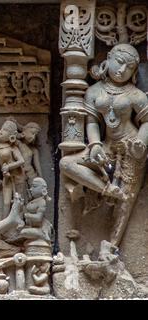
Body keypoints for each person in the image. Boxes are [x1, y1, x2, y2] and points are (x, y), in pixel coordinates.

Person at [60, 44, 148, 246]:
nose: (121, 70)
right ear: (108, 58)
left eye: (129, 67)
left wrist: (140, 144)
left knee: (126, 202)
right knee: (66, 164)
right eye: (119, 62)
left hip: (130, 149)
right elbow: (91, 122)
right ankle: (106, 189)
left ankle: (112, 248)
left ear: (134, 71)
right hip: (105, 147)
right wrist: (94, 144)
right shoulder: (93, 91)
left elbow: (146, 122)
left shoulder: (136, 95)